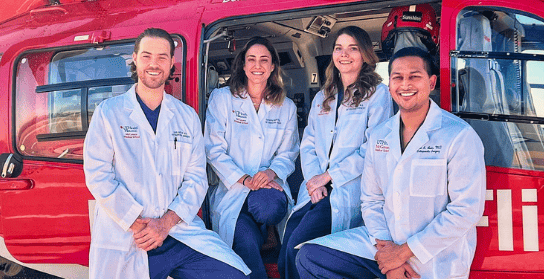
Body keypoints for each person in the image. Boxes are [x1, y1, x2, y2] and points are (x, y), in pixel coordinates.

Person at [296, 47, 487, 279]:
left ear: (432, 82)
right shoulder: (379, 136)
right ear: (390, 85)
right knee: (310, 257)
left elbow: (466, 210)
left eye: (414, 76)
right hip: (383, 243)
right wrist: (389, 255)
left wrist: (404, 252)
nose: (405, 85)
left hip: (433, 255)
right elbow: (371, 200)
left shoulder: (458, 136)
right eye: (397, 77)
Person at [84, 28, 249, 279]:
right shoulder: (109, 113)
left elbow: (196, 178)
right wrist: (136, 221)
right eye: (147, 56)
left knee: (236, 275)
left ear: (172, 63)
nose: (154, 64)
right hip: (129, 235)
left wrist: (165, 223)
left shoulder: (186, 116)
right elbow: (98, 175)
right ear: (135, 59)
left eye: (162, 57)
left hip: (177, 233)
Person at [279, 26, 394, 279]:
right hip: (316, 189)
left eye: (353, 48)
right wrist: (313, 180)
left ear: (364, 54)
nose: (345, 54)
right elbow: (308, 142)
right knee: (287, 246)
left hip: (346, 188)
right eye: (339, 48)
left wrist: (329, 177)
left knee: (300, 247)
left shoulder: (378, 95)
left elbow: (372, 149)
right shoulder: (323, 96)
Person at [205, 37, 299, 279]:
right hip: (233, 188)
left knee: (268, 206)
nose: (257, 65)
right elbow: (213, 149)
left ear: (272, 67)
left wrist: (270, 173)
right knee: (244, 243)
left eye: (264, 60)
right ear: (244, 66)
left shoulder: (286, 106)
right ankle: (262, 234)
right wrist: (245, 179)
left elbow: (289, 152)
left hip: (268, 187)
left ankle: (268, 228)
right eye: (252, 60)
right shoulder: (222, 98)